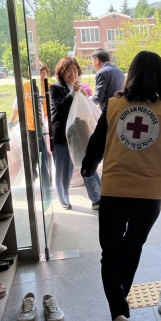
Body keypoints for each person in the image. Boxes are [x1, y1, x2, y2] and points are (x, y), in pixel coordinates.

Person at [81, 51, 161, 321]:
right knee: (132, 246)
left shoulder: (114, 105)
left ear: (132, 74)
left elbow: (97, 141)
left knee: (110, 252)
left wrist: (88, 167)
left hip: (114, 189)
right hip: (149, 193)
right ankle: (120, 304)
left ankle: (119, 313)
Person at [49, 57, 101, 210]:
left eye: (75, 69)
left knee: (88, 165)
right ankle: (64, 200)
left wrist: (83, 96)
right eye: (68, 70)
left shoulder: (79, 87)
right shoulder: (55, 88)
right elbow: (59, 109)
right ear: (61, 72)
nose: (73, 73)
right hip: (63, 136)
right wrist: (73, 93)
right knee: (64, 171)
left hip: (79, 133)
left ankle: (97, 199)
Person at [8, 62, 50, 184]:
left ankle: (47, 180)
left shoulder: (49, 86)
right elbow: (17, 105)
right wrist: (11, 120)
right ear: (30, 73)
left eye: (44, 71)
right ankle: (33, 177)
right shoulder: (25, 86)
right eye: (39, 72)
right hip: (31, 126)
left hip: (46, 127)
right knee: (33, 154)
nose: (42, 74)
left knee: (47, 154)